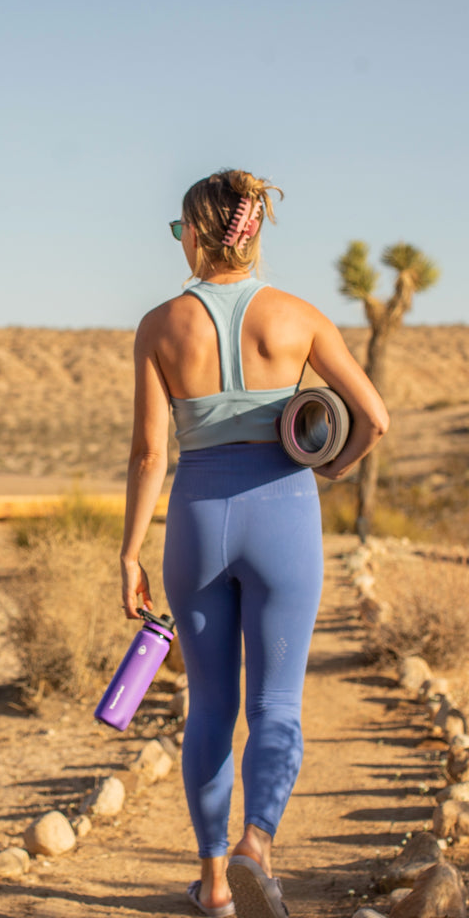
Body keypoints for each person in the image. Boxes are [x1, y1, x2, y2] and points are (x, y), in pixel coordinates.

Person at [119, 169, 388, 918]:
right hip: (284, 511)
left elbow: (148, 454)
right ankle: (255, 850)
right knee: (275, 702)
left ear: (197, 234)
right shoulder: (298, 317)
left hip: (198, 517)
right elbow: (375, 417)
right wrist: (331, 466)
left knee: (208, 702)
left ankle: (210, 882)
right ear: (255, 231)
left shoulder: (159, 325)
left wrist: (130, 551)